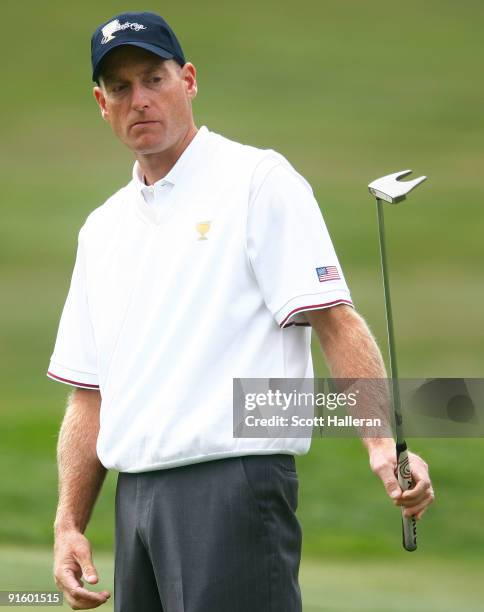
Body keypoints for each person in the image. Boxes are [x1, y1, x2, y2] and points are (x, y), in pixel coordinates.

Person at [48, 11, 434, 611]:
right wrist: (69, 522)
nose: (139, 100)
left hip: (233, 482)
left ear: (190, 80)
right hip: (136, 499)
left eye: (154, 78)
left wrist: (382, 445)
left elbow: (335, 320)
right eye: (120, 88)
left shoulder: (257, 181)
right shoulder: (102, 229)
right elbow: (88, 394)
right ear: (102, 103)